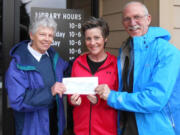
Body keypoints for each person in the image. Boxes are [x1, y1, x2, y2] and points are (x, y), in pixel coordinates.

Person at [95, 1, 180, 135]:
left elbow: (155, 99)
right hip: (128, 124)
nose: (132, 22)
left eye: (137, 17)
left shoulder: (167, 52)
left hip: (157, 128)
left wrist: (113, 97)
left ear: (148, 19)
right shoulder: (126, 49)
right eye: (127, 19)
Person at [5, 15, 68, 135]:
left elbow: (67, 71)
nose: (47, 39)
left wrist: (86, 58)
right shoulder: (18, 64)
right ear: (31, 35)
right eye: (42, 34)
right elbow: (18, 100)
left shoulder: (53, 57)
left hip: (55, 122)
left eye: (50, 35)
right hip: (32, 127)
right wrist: (49, 92)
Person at [68, 17, 119, 135]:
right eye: (88, 38)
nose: (92, 43)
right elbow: (72, 93)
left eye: (97, 38)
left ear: (105, 38)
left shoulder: (115, 65)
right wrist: (73, 100)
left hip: (106, 130)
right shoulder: (78, 62)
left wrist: (100, 100)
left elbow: (119, 97)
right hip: (81, 130)